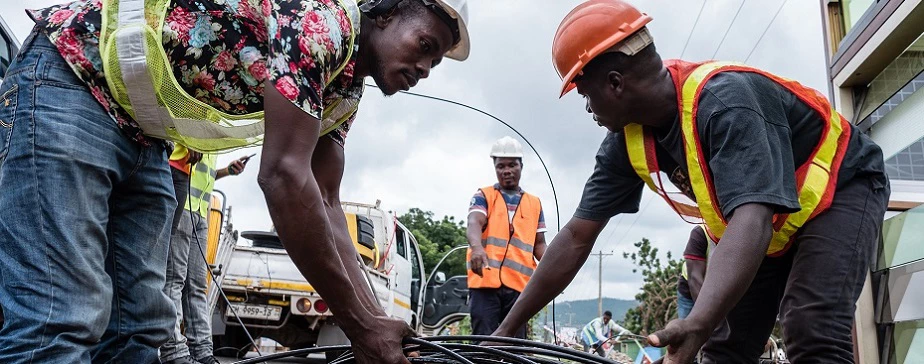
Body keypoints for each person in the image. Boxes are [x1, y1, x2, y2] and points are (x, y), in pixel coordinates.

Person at [0, 0, 470, 362]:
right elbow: (284, 177)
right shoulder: (321, 23)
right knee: (58, 319)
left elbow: (326, 201)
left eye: (436, 64)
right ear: (385, 13)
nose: (425, 68)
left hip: (142, 132)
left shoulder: (343, 91)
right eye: (426, 45)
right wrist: (360, 328)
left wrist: (377, 321)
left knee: (139, 329)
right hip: (71, 79)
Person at [489, 1, 889, 363]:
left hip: (843, 188)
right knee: (723, 348)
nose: (589, 109)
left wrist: (699, 319)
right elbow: (578, 235)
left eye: (585, 95)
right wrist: (507, 330)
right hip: (773, 225)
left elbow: (752, 218)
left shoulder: (725, 101)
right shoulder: (626, 142)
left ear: (615, 83)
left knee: (811, 326)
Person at [162, 147, 251, 364]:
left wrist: (226, 171)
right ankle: (174, 352)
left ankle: (202, 352)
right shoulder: (193, 122)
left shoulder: (210, 133)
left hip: (201, 210)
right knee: (175, 280)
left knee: (197, 286)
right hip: (180, 201)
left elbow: (204, 174)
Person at [466, 136, 547, 339]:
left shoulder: (534, 203)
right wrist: (477, 248)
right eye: (501, 166)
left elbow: (540, 245)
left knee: (514, 347)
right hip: (485, 283)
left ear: (521, 166)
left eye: (512, 165)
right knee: (483, 344)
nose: (507, 170)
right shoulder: (483, 196)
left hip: (519, 288)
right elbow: (474, 222)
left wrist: (553, 272)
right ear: (495, 167)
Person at [676, 226, 708, 319]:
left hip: (718, 289)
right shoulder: (700, 232)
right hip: (690, 289)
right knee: (687, 327)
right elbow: (695, 280)